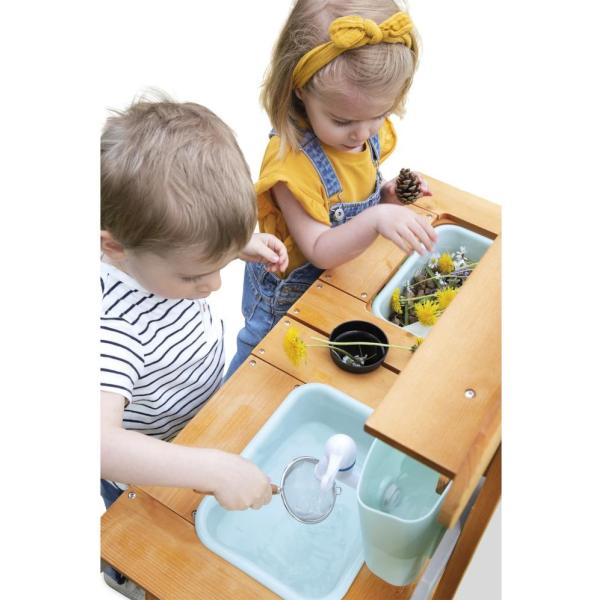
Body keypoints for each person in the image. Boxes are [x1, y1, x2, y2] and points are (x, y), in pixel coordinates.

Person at [100, 97, 288, 596]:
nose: (215, 286)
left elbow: (180, 239)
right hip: (147, 475)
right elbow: (99, 445)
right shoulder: (111, 326)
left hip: (196, 422)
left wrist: (232, 244)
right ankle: (127, 575)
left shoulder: (150, 251)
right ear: (115, 246)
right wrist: (212, 469)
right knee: (161, 564)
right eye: (194, 275)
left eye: (218, 265)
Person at [226, 0, 437, 378]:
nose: (362, 133)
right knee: (259, 374)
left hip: (341, 281)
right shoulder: (291, 164)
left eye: (379, 115)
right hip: (286, 301)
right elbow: (320, 249)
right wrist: (376, 218)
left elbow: (354, 198)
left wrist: (388, 198)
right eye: (342, 121)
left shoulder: (359, 128)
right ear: (300, 89)